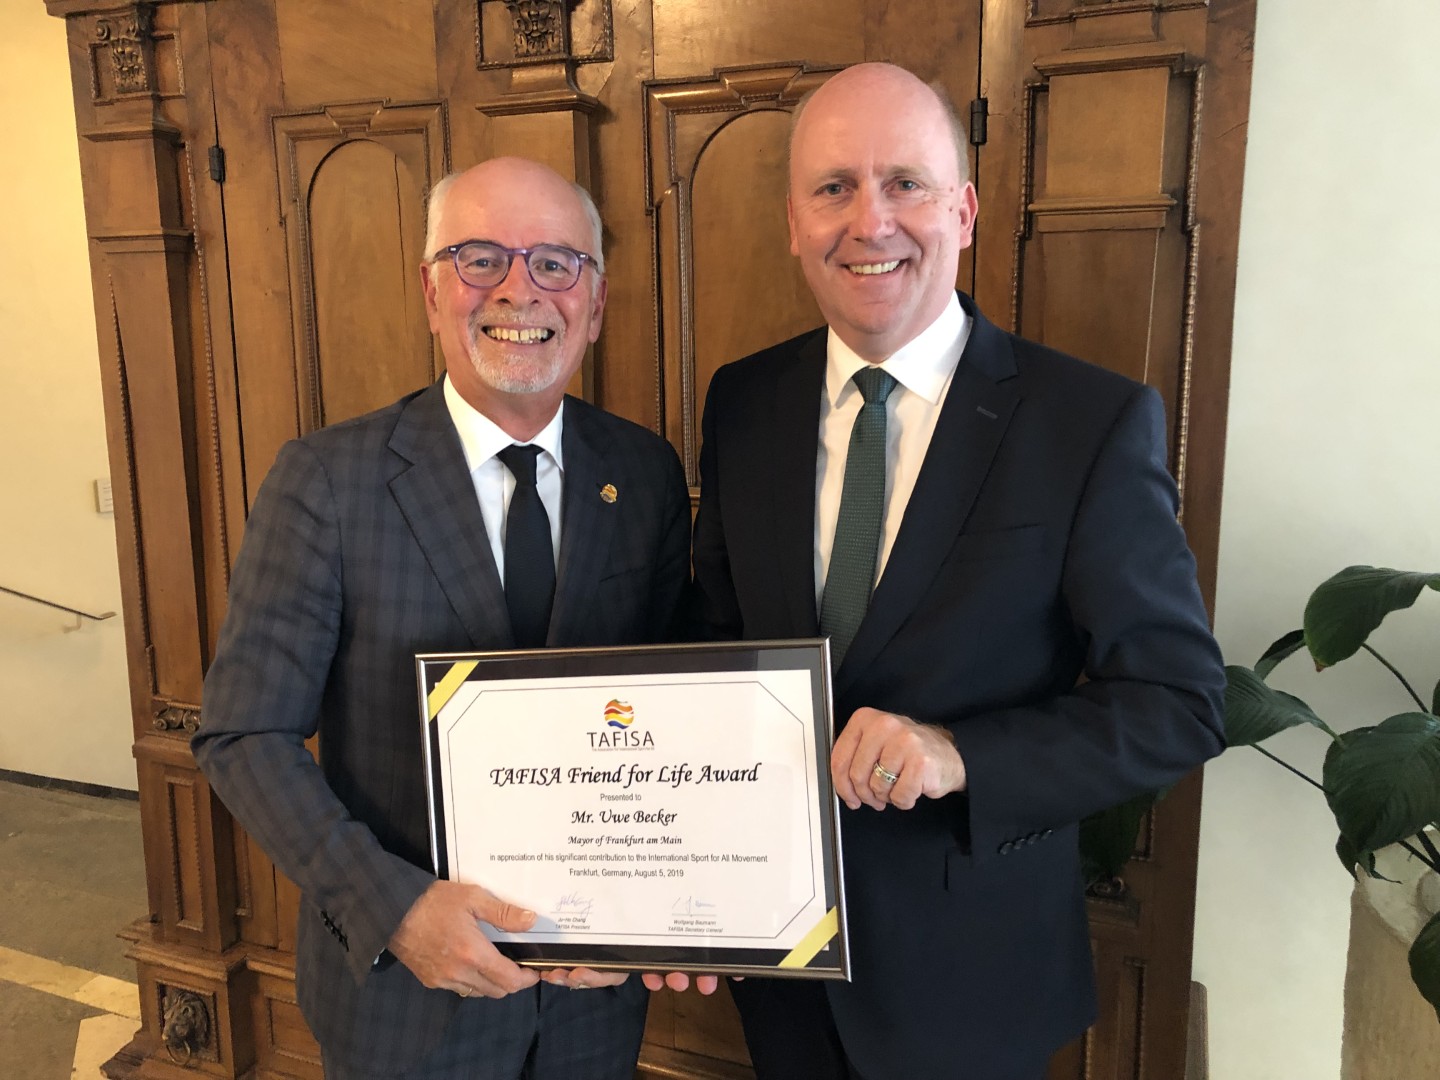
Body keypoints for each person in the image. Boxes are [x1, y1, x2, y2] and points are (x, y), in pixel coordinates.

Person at [685, 63, 1226, 1080]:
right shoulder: (746, 402)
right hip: (778, 959)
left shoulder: (1086, 423)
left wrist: (954, 753)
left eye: (906, 183)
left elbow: (1179, 704)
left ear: (965, 211)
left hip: (974, 981)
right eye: (833, 187)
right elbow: (717, 649)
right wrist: (665, 883)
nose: (870, 221)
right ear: (792, 222)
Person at [192, 158, 691, 1080]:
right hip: (407, 1003)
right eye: (480, 257)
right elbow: (242, 735)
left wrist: (662, 910)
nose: (518, 288)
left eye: (555, 262)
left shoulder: (646, 474)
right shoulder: (328, 483)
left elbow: (669, 715)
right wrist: (396, 909)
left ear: (596, 299)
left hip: (593, 1005)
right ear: (430, 292)